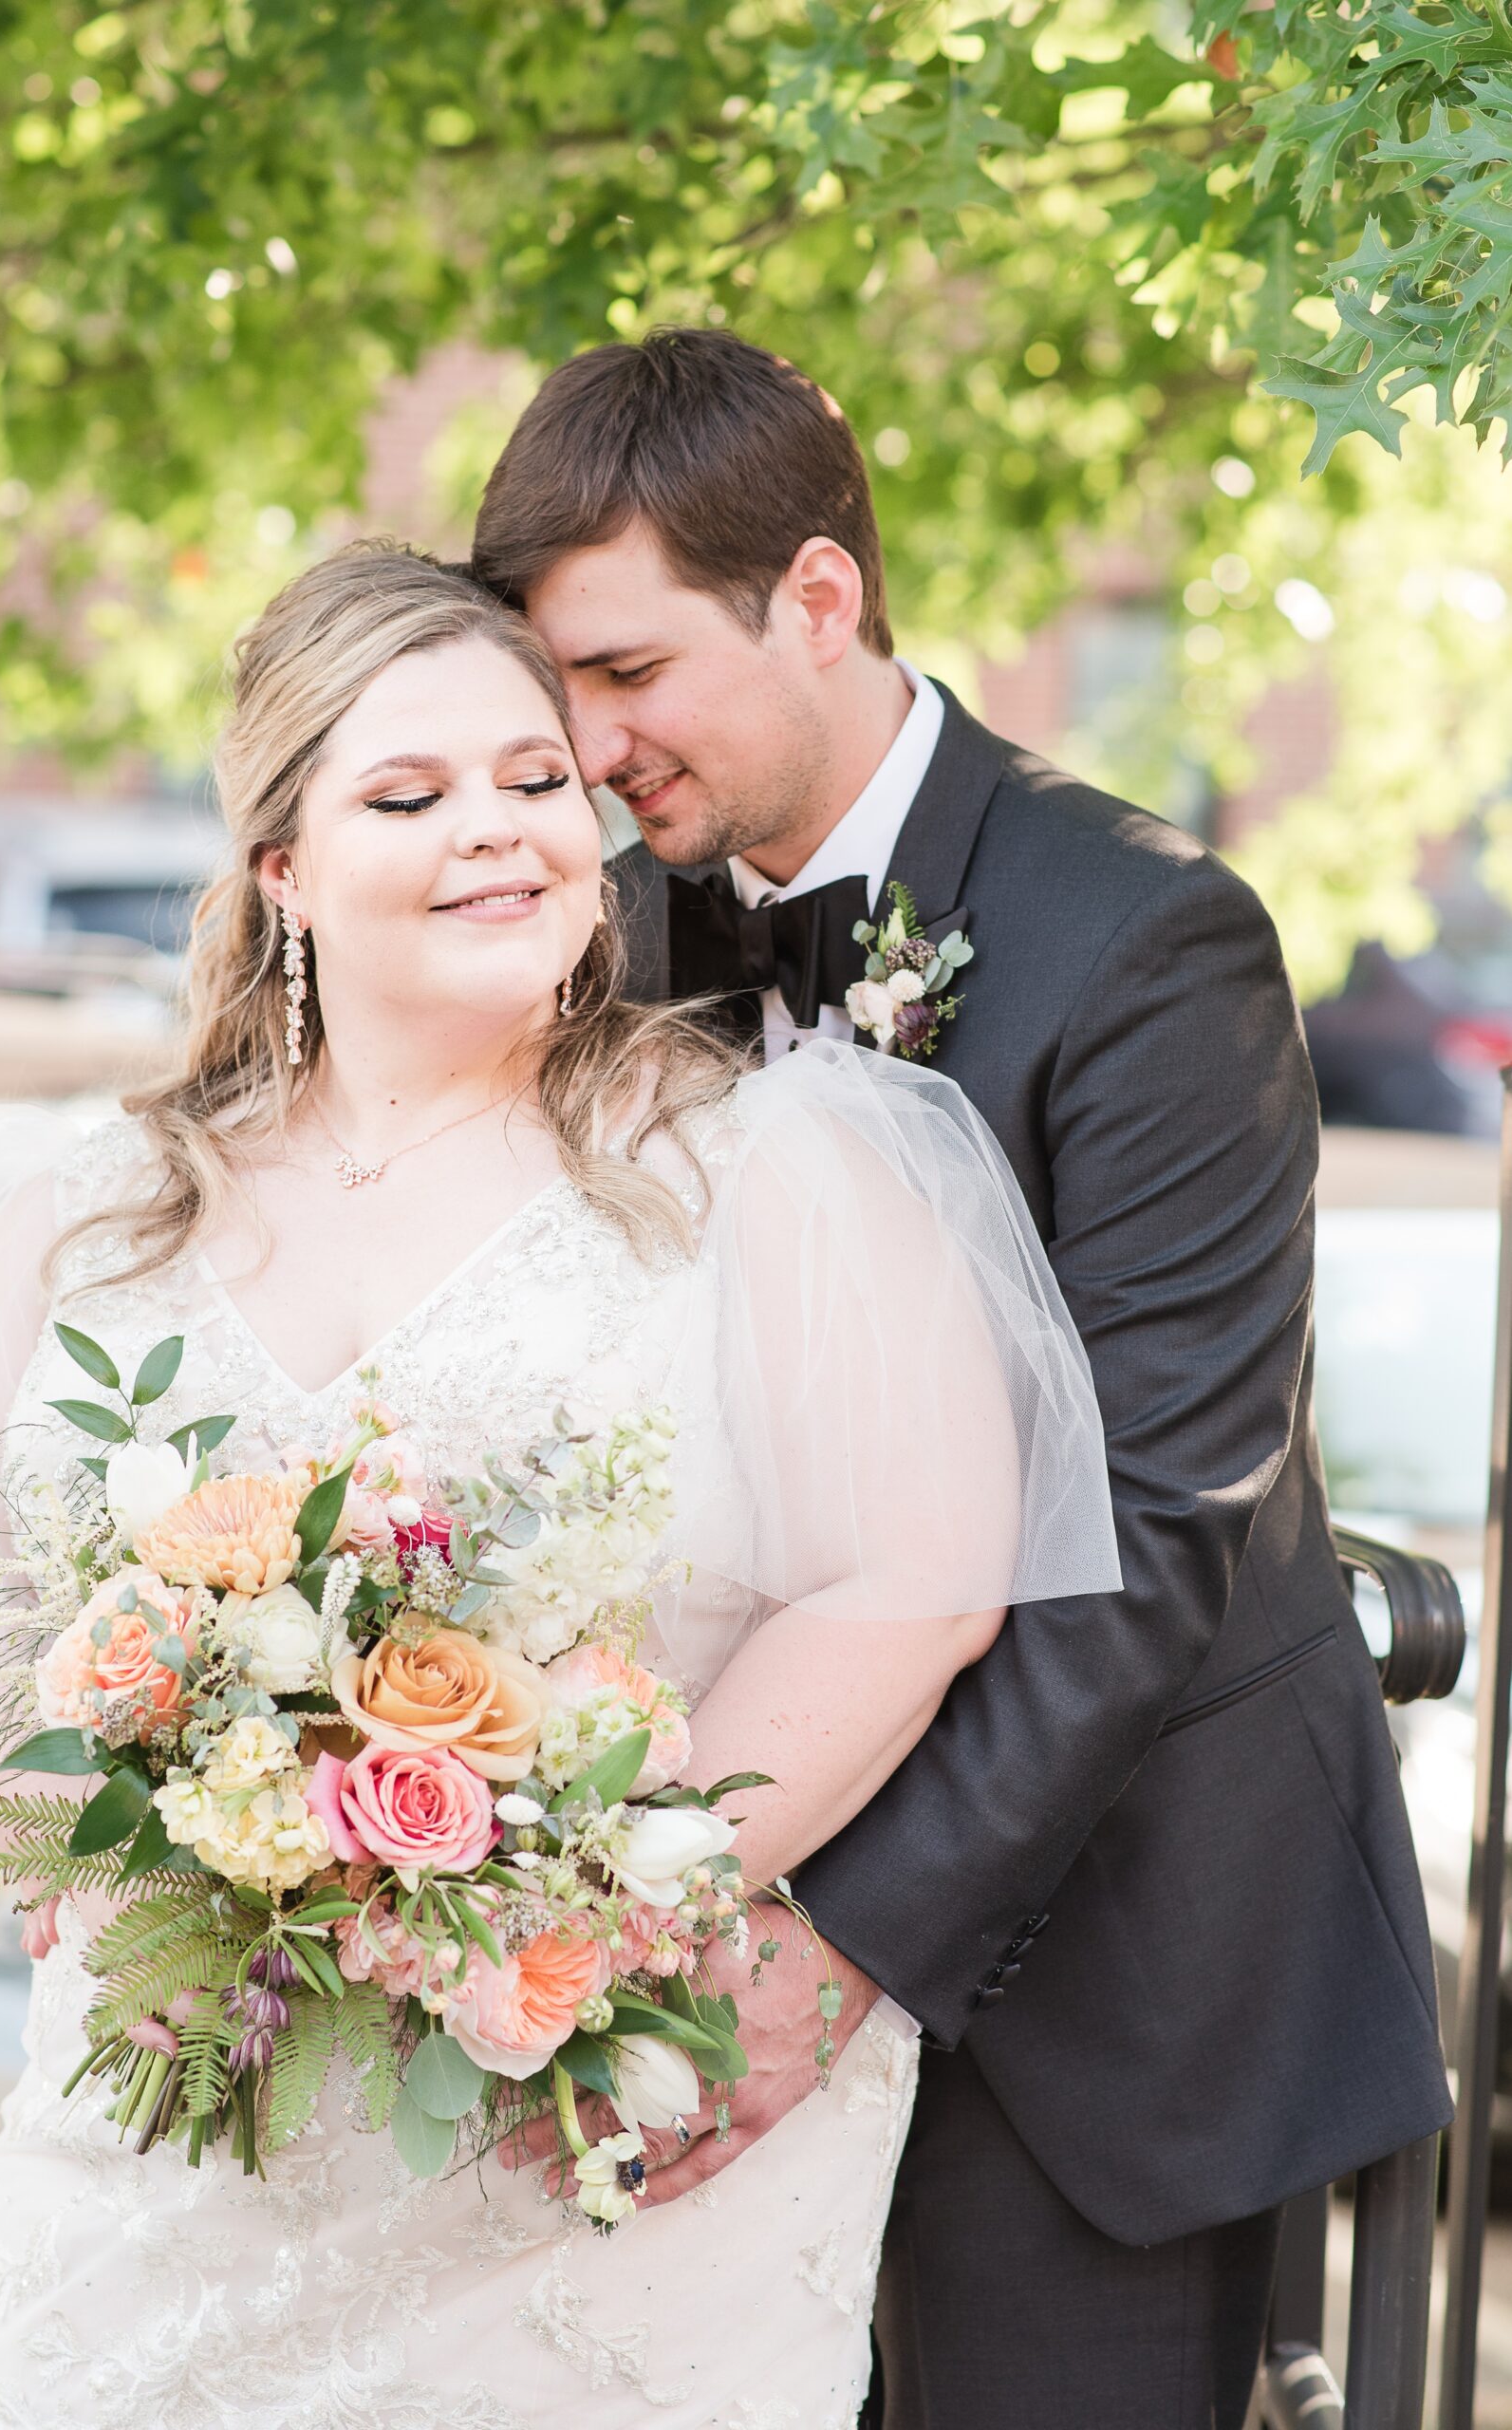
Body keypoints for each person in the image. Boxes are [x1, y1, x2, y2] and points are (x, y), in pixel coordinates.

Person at [0, 542, 1118, 2429]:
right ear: (283, 865)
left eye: (536, 779)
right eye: (413, 793)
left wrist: (568, 1897)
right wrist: (113, 1861)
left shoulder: (775, 1166)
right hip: (179, 2121)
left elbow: (916, 1585)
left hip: (577, 2129)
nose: (503, 829)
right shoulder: (98, 1201)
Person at [470, 326, 1455, 2430]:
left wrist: (821, 1952)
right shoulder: (601, 928)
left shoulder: (1153, 937)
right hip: (685, 1902)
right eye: (557, 683)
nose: (586, 741)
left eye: (630, 672)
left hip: (1101, 1957)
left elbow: (1153, 1530)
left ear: (817, 599)